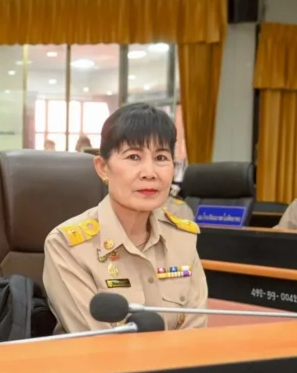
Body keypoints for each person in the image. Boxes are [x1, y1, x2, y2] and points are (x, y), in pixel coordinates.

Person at [43, 103, 207, 333]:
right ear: (103, 168)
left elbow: (195, 335)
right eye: (134, 156)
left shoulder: (182, 238)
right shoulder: (68, 246)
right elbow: (98, 340)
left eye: (161, 157)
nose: (149, 173)